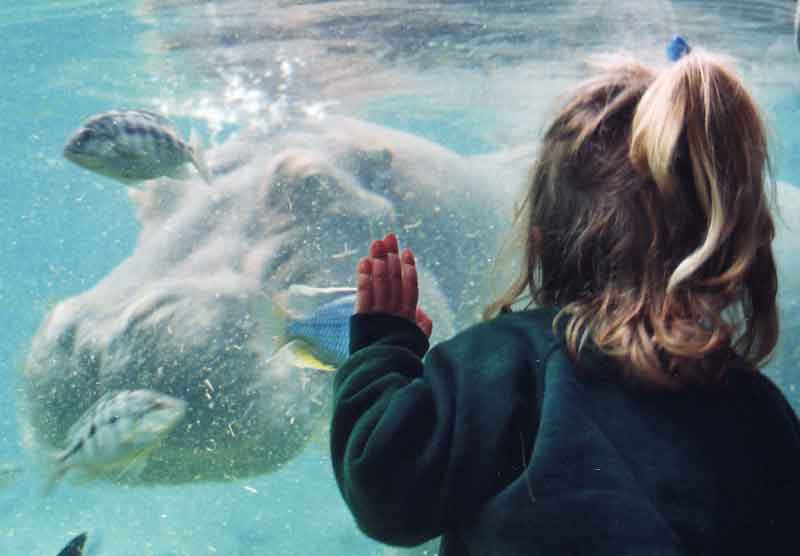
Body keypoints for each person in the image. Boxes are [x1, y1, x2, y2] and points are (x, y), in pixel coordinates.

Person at [329, 47, 800, 556]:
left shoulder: (501, 365)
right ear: (717, 247)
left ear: (539, 243)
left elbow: (383, 487)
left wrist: (383, 348)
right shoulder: (756, 412)